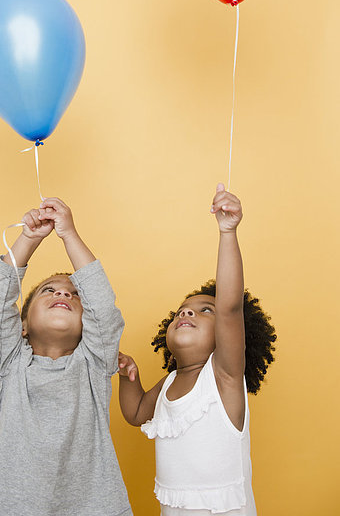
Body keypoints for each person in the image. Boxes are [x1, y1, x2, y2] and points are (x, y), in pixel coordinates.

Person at [118, 184, 276, 516]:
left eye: (206, 310)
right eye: (182, 311)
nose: (186, 312)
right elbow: (135, 415)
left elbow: (230, 307)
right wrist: (129, 377)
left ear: (225, 334)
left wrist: (228, 232)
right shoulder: (168, 384)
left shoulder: (223, 377)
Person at [0, 197, 133, 516]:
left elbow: (103, 308)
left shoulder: (94, 362)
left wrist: (69, 235)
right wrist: (29, 238)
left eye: (75, 295)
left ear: (87, 324)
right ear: (22, 326)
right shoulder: (11, 362)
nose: (63, 293)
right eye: (49, 290)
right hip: (15, 508)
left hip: (94, 507)